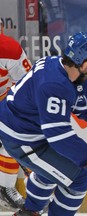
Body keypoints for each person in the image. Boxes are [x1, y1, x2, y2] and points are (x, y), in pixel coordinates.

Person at [0, 31, 87, 215]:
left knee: (52, 170)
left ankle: (29, 212)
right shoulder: (54, 84)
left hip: (30, 130)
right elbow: (59, 136)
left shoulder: (68, 74)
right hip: (19, 137)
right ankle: (31, 211)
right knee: (80, 178)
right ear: (85, 63)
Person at [0, 18, 32, 211]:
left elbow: (28, 85)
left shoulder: (10, 50)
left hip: (3, 103)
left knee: (13, 135)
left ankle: (5, 187)